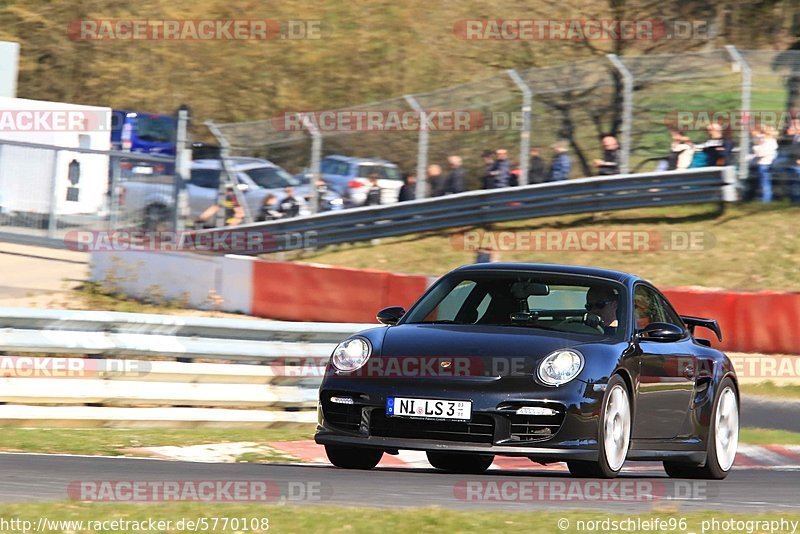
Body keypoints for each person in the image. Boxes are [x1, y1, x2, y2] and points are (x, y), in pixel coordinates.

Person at [753, 126, 778, 203]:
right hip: (762, 163)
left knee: (765, 183)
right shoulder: (765, 141)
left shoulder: (770, 142)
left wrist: (757, 147)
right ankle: (764, 198)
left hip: (765, 164)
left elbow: (760, 153)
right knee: (763, 183)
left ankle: (766, 200)